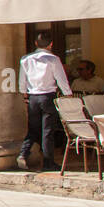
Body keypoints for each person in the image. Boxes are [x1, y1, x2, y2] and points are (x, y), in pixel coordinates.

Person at [17, 32, 72, 172]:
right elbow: (61, 79)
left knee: (33, 128)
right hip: (47, 96)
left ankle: (23, 153)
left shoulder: (25, 59)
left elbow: (22, 80)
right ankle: (48, 162)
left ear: (36, 43)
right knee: (48, 131)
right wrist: (68, 94)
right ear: (51, 44)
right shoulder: (53, 59)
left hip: (33, 97)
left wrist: (24, 94)